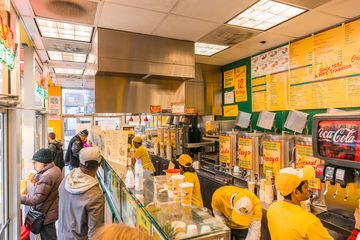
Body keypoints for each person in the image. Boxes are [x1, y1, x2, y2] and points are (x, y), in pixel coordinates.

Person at [268, 166, 360, 240]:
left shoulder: (273, 209)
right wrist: (357, 227)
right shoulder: (308, 222)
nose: (309, 189)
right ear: (296, 192)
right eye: (306, 187)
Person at [58, 147, 104, 240]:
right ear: (99, 164)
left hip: (62, 236)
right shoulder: (95, 195)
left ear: (80, 163)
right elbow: (94, 234)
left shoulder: (66, 180)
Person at [21, 148, 62, 240]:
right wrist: (38, 182)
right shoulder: (55, 169)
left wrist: (18, 198)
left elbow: (37, 199)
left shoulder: (47, 175)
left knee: (48, 236)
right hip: (51, 209)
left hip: (46, 214)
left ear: (44, 163)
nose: (34, 165)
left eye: (35, 162)